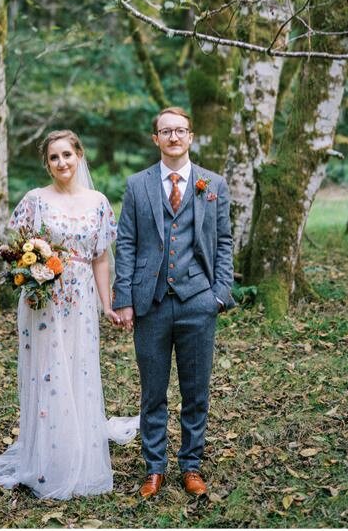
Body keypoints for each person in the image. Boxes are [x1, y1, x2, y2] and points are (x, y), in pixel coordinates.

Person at [0, 130, 138, 499]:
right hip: (43, 300)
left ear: (79, 156)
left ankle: (79, 452)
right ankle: (48, 456)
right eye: (54, 157)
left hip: (81, 298)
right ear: (47, 164)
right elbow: (16, 250)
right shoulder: (35, 200)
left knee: (78, 368)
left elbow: (101, 258)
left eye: (67, 154)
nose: (62, 162)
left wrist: (105, 304)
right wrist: (31, 272)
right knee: (48, 371)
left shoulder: (98, 202)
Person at [112, 106, 234, 499]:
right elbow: (126, 242)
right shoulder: (137, 185)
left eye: (180, 130)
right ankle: (154, 468)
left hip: (199, 300)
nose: (174, 137)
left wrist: (219, 294)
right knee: (153, 390)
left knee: (196, 390)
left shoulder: (213, 183)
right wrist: (125, 299)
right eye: (166, 131)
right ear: (156, 139)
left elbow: (225, 242)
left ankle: (192, 465)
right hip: (151, 303)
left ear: (191, 136)